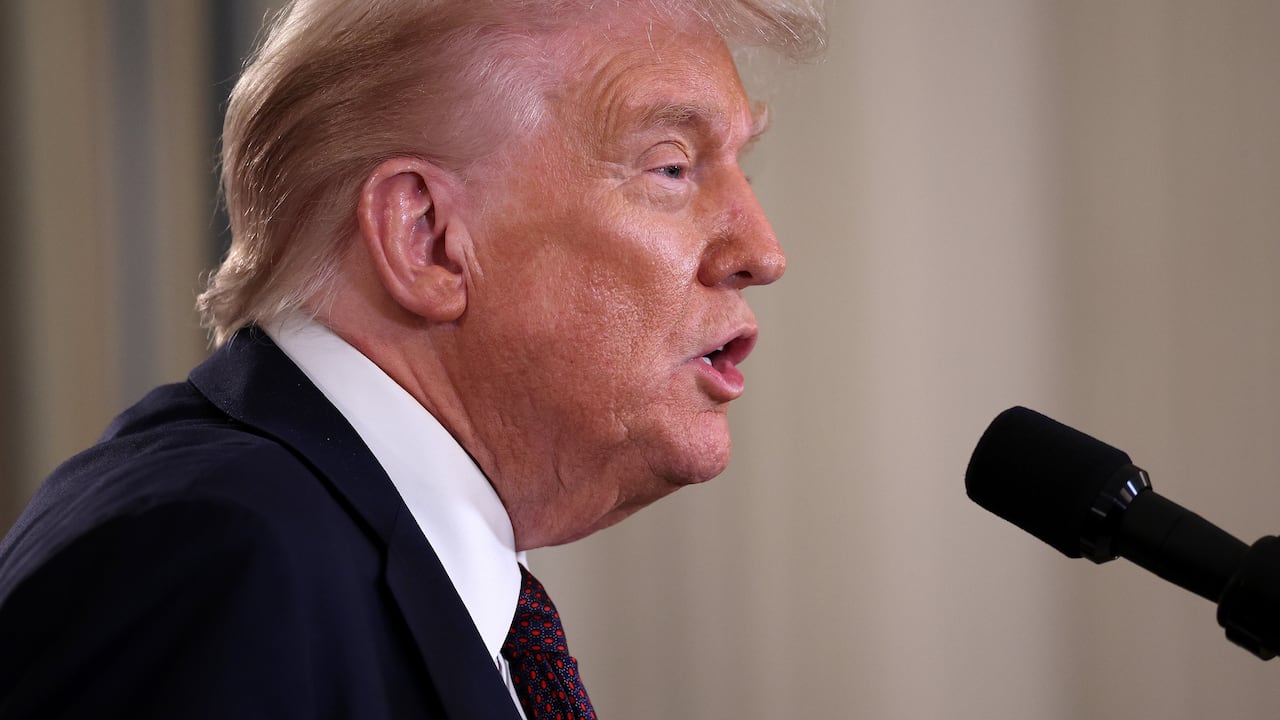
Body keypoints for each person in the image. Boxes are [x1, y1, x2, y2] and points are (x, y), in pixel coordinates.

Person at [0, 1, 825, 717]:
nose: (763, 250)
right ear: (425, 238)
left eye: (741, 169)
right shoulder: (215, 562)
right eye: (673, 166)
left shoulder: (338, 548)